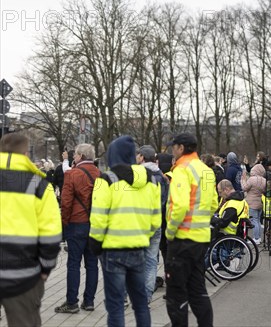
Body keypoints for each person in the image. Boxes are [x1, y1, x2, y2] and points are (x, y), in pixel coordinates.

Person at [89, 135, 161, 326]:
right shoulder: (151, 181)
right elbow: (156, 220)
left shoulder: (106, 180)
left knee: (115, 306)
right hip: (138, 248)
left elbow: (98, 217)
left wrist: (95, 244)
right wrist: (141, 235)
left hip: (112, 250)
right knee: (140, 304)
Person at [0, 133, 62, 327]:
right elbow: (51, 234)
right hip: (24, 275)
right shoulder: (39, 185)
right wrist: (45, 268)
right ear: (26, 153)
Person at [164, 133, 219, 327]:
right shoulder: (206, 170)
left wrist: (169, 233)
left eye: (174, 147)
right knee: (198, 291)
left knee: (176, 295)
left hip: (181, 239)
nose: (172, 150)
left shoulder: (181, 170)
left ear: (180, 148)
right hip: (201, 238)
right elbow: (214, 203)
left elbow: (179, 206)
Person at [55, 143, 101, 313]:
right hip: (95, 223)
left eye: (74, 155)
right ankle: (89, 302)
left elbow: (66, 202)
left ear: (81, 156)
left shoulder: (72, 174)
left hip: (76, 223)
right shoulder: (99, 174)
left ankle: (72, 302)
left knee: (74, 263)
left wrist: (65, 222)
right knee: (92, 264)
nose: (73, 157)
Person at [136, 144, 168, 303]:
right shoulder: (162, 176)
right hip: (157, 222)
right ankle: (147, 296)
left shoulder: (138, 174)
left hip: (141, 222)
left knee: (138, 260)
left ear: (142, 157)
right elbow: (164, 200)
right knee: (151, 261)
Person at [242, 163, 266, 244]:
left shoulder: (252, 179)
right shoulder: (264, 180)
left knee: (254, 220)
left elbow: (244, 188)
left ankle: (256, 238)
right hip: (259, 202)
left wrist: (243, 180)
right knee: (258, 220)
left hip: (251, 203)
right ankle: (258, 238)